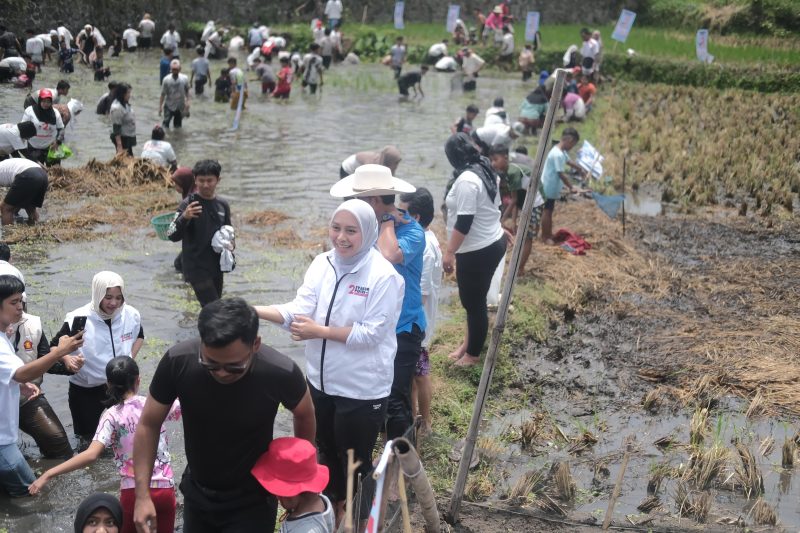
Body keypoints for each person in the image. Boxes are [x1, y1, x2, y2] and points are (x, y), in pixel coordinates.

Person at [255, 199, 402, 525]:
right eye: (336, 228)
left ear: (368, 232)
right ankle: (333, 517)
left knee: (354, 464)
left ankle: (357, 521)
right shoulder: (323, 263)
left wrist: (318, 331)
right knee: (326, 457)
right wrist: (253, 310)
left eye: (351, 231)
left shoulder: (384, 276)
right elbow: (299, 309)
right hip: (320, 383)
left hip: (361, 389)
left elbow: (371, 335)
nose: (342, 237)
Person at [133, 298, 315, 532]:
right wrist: (142, 495)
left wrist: (297, 479)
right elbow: (149, 423)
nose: (221, 373)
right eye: (211, 364)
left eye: (234, 366)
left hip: (254, 499)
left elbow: (305, 414)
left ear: (255, 345)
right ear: (201, 344)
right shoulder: (178, 362)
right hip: (198, 494)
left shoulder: (280, 372)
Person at [330, 166, 425, 443]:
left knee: (396, 398)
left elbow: (388, 254)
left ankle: (403, 462)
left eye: (356, 199)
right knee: (370, 393)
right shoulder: (364, 229)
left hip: (402, 327)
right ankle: (376, 451)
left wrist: (386, 221)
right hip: (368, 325)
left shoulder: (411, 231)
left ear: (372, 201)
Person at [30, 357, 180, 533]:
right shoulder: (154, 405)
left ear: (108, 384)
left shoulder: (111, 416)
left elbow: (91, 454)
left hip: (133, 492)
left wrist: (49, 473)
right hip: (164, 490)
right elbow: (187, 404)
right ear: (138, 380)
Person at [0, 274, 83, 497]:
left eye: (21, 301)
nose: (20, 307)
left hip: (19, 402)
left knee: (56, 441)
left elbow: (18, 373)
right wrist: (61, 351)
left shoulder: (16, 330)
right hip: (2, 441)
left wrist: (22, 384)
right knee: (33, 496)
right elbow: (19, 371)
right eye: (14, 302)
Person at [51, 271, 143, 445]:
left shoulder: (131, 315)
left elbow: (140, 335)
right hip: (86, 389)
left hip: (120, 386)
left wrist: (130, 359)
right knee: (87, 441)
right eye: (108, 297)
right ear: (97, 293)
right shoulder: (78, 318)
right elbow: (53, 347)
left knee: (125, 437)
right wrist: (67, 360)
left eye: (118, 297)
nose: (114, 303)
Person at [443, 133, 507, 367]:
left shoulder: (468, 180)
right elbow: (491, 207)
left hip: (477, 250)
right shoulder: (484, 167)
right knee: (474, 302)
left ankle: (472, 355)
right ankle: (468, 344)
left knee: (474, 304)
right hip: (490, 241)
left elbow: (465, 222)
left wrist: (449, 252)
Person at [398, 188, 441, 434]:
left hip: (417, 321)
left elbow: (422, 292)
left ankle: (425, 422)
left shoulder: (423, 247)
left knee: (420, 373)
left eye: (401, 212)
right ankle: (414, 416)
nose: (396, 215)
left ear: (414, 217)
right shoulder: (426, 238)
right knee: (414, 374)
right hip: (417, 319)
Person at [167, 159, 232, 306]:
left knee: (212, 308)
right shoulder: (188, 204)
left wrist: (231, 244)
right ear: (195, 180)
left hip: (216, 265)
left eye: (210, 180)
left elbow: (228, 230)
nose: (205, 185)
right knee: (214, 307)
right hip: (196, 267)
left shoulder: (222, 205)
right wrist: (185, 217)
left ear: (218, 180)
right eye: (201, 180)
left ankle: (204, 329)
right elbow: (171, 234)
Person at [251, 437, 334, 533]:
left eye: (279, 491)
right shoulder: (323, 502)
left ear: (292, 492)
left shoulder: (306, 530)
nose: (277, 497)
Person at [490, 146, 544, 274]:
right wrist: (513, 221)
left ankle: (520, 269)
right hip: (528, 201)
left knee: (527, 237)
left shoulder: (512, 172)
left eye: (496, 159)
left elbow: (514, 200)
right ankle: (519, 266)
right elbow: (517, 200)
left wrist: (502, 219)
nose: (493, 163)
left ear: (506, 158)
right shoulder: (509, 172)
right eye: (491, 160)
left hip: (536, 201)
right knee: (522, 234)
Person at [541, 128, 584, 243]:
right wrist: (571, 187)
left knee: (549, 210)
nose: (572, 147)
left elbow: (569, 162)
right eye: (573, 144)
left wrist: (580, 169)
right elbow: (561, 174)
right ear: (568, 140)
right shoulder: (557, 154)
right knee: (547, 211)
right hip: (548, 187)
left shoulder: (562, 152)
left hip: (552, 187)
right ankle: (545, 236)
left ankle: (548, 234)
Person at [20, 88, 64, 163]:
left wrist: (58, 142)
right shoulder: (30, 111)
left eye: (48, 102)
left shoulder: (56, 113)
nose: (46, 104)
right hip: (33, 147)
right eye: (43, 101)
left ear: (51, 102)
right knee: (36, 172)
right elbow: (22, 128)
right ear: (39, 100)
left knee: (54, 171)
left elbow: (61, 129)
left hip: (50, 147)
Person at [0, 158, 49, 225]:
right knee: (30, 207)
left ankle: (9, 234)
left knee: (5, 208)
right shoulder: (3, 165)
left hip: (28, 175)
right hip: (43, 176)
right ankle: (36, 230)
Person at [159, 59, 190, 129]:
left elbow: (187, 91)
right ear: (171, 69)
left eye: (176, 69)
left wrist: (188, 102)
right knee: (165, 124)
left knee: (178, 126)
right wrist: (160, 106)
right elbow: (163, 94)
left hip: (180, 106)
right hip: (169, 105)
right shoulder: (166, 79)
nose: (175, 71)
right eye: (173, 69)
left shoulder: (184, 78)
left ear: (180, 69)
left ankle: (176, 139)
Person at [108, 83, 136, 156]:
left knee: (129, 158)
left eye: (130, 92)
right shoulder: (117, 108)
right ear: (122, 94)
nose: (130, 95)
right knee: (126, 159)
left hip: (127, 137)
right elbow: (116, 128)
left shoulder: (125, 103)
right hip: (122, 139)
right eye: (128, 93)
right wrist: (119, 146)